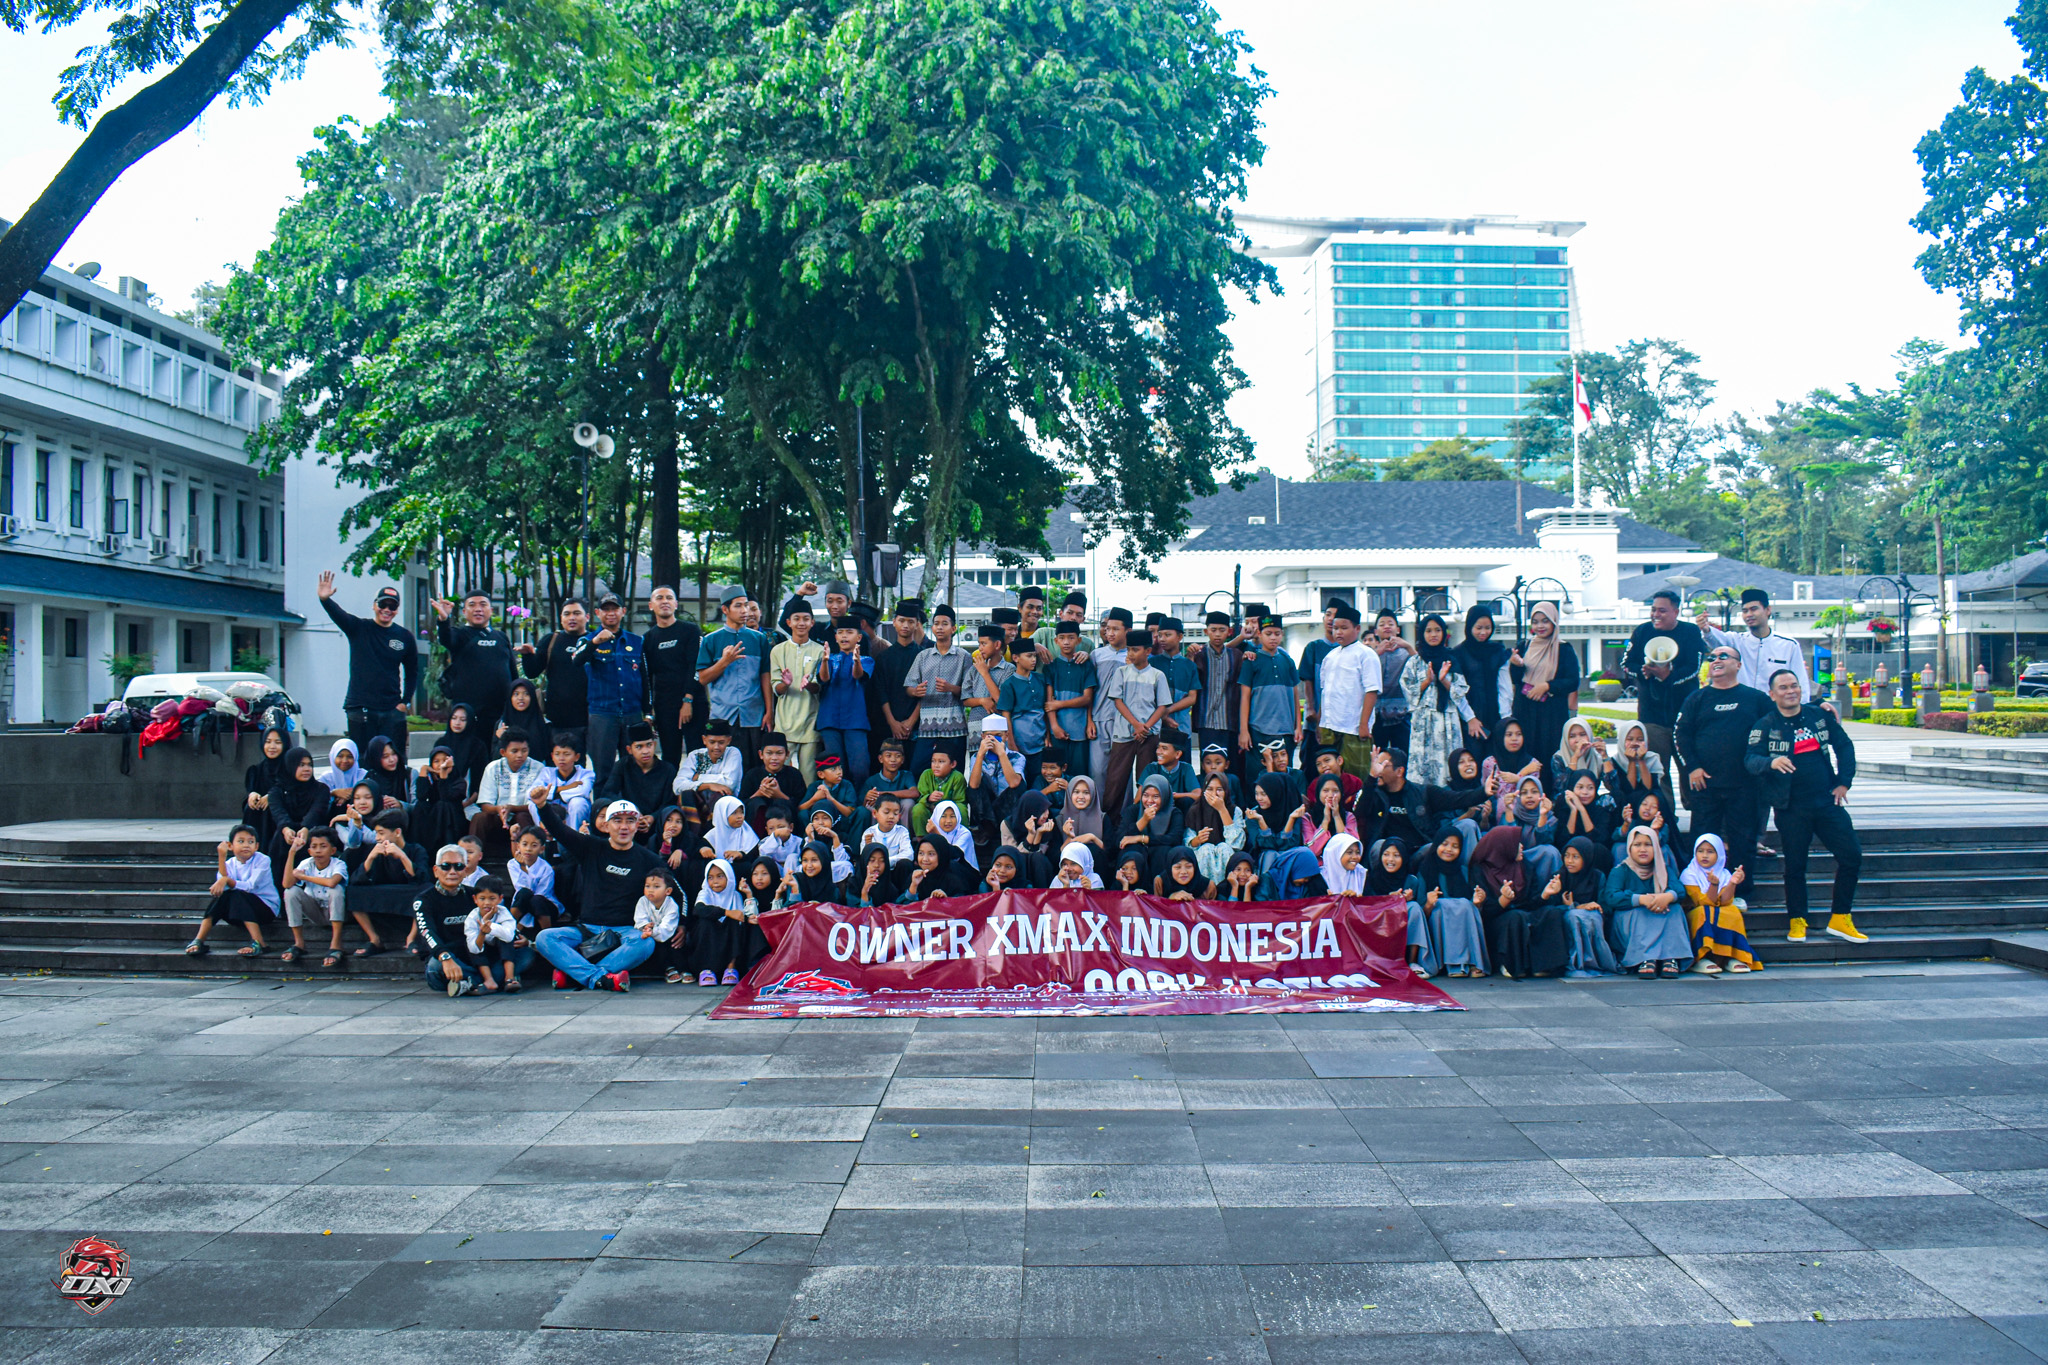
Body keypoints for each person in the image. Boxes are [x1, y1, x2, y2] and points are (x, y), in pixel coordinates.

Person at [1746, 667, 1865, 943]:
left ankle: (1840, 918)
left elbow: (1844, 746)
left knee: (1852, 856)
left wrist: (1844, 781)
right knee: (1795, 866)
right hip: (1791, 808)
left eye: (1794, 686)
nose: (1791, 692)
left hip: (1826, 801)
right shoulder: (1765, 725)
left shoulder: (1818, 716)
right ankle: (1797, 920)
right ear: (1772, 694)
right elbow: (1749, 760)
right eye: (1784, 688)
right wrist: (1770, 762)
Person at [532, 796, 667, 990]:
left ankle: (578, 975)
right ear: (606, 824)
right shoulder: (591, 847)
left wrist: (680, 923)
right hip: (587, 929)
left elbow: (672, 890)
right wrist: (542, 806)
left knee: (645, 943)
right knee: (545, 938)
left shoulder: (649, 860)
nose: (624, 827)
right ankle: (600, 978)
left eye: (630, 821)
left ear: (638, 825)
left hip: (624, 931)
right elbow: (560, 831)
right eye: (617, 820)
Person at [1677, 643, 1774, 889]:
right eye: (1712, 657)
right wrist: (1693, 767)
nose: (1716, 660)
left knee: (1743, 841)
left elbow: (1780, 720)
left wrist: (1820, 708)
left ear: (1738, 665)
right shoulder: (1696, 698)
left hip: (1744, 784)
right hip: (1705, 784)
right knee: (1703, 840)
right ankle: (1700, 888)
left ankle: (1738, 891)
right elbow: (1682, 736)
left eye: (1723, 656)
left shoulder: (1756, 699)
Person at [317, 573, 419, 751]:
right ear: (374, 605)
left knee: (393, 760)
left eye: (392, 605)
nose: (387, 609)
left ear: (397, 609)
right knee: (363, 760)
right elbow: (339, 615)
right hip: (360, 707)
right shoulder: (358, 628)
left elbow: (412, 672)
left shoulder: (405, 637)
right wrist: (325, 600)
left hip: (391, 709)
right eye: (383, 604)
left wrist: (405, 703)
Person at [1623, 589, 1704, 793]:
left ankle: (1697, 815)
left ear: (1676, 612)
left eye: (1662, 610)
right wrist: (1644, 673)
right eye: (1653, 610)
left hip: (1686, 715)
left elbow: (1694, 667)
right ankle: (1665, 817)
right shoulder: (1642, 632)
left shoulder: (1691, 632)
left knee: (1690, 768)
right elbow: (1627, 662)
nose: (1655, 615)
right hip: (1652, 716)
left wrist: (1668, 676)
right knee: (1659, 772)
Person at [569, 592, 648, 786]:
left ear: (623, 611)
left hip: (632, 713)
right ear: (597, 613)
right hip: (602, 715)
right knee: (603, 770)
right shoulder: (587, 640)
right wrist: (595, 642)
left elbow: (645, 679)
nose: (611, 613)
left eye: (615, 609)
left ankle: (632, 813)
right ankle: (602, 812)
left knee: (634, 768)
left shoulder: (636, 641)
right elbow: (577, 660)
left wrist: (648, 713)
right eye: (606, 610)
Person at [1472, 824, 1567, 980]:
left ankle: (1543, 965)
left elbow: (1530, 903)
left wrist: (1545, 894)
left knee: (1551, 912)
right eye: (1517, 844)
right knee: (1516, 916)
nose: (1522, 847)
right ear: (1503, 846)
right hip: (1496, 921)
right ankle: (1511, 964)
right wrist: (1503, 900)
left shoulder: (1525, 867)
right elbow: (1484, 912)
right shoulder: (1480, 870)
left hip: (1523, 913)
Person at [696, 586, 771, 769]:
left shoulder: (759, 639)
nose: (744, 611)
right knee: (725, 766)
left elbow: (765, 675)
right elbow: (703, 678)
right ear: (725, 609)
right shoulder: (711, 640)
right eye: (738, 606)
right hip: (723, 713)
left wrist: (770, 711)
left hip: (753, 712)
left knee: (754, 764)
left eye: (746, 605)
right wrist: (724, 662)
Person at [1605, 825, 1695, 978]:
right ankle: (1646, 958)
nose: (1643, 849)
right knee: (1640, 912)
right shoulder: (1620, 870)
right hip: (1631, 922)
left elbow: (1679, 890)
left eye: (1648, 845)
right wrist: (1641, 899)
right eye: (1637, 845)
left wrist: (1665, 897)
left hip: (1660, 917)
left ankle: (1669, 957)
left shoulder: (1663, 868)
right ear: (1629, 847)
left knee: (1675, 909)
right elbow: (1612, 897)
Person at [185, 824, 280, 959]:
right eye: (241, 841)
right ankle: (199, 940)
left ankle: (260, 943)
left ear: (257, 846)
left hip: (265, 909)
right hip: (238, 913)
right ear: (230, 846)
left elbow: (249, 886)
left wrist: (226, 880)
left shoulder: (263, 860)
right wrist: (222, 858)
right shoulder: (229, 863)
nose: (246, 845)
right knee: (224, 896)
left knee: (237, 894)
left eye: (250, 842)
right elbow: (222, 887)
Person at [433, 591, 515, 743]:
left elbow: (512, 673)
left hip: (499, 714)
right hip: (468, 714)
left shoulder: (501, 637)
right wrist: (444, 620)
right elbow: (446, 638)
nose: (478, 609)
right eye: (472, 605)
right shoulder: (459, 635)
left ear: (491, 610)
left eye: (483, 605)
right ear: (464, 612)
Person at [1700, 589, 1809, 700]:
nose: (1749, 615)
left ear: (1767, 610)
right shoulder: (1736, 641)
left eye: (1754, 609)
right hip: (1743, 707)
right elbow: (1715, 639)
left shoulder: (1789, 645)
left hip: (1775, 710)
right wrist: (1705, 628)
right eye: (1745, 611)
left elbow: (1801, 682)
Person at [1315, 603, 1382, 782]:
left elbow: (1372, 691)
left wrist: (1363, 724)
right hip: (1329, 726)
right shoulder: (1330, 656)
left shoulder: (1366, 655)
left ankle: (1357, 810)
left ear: (1357, 628)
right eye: (1336, 628)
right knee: (1329, 776)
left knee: (1356, 777)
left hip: (1353, 727)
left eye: (1344, 628)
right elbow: (1325, 692)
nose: (1339, 632)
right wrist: (1321, 722)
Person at [903, 604, 972, 775]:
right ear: (932, 627)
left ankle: (953, 802)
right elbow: (909, 686)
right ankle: (925, 801)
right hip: (927, 725)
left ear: (953, 628)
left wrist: (951, 688)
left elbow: (970, 691)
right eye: (936, 623)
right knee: (919, 768)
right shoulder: (923, 656)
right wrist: (915, 691)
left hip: (955, 725)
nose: (940, 627)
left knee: (956, 770)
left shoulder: (964, 657)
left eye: (945, 623)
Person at [1402, 613, 1469, 788]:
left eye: (1437, 630)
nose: (1433, 635)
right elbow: (1407, 690)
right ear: (1422, 634)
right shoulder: (1414, 662)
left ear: (1444, 633)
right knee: (1422, 771)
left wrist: (1444, 680)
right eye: (1428, 630)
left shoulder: (1451, 659)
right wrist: (1426, 682)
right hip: (1423, 721)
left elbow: (1461, 691)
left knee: (1449, 765)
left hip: (1447, 719)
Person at [1509, 601, 1580, 763]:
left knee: (1550, 756)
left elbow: (1572, 681)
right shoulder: (1525, 646)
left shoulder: (1564, 649)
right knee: (1525, 754)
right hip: (1526, 710)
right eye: (1535, 622)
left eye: (1545, 621)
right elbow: (1516, 680)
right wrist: (1516, 665)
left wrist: (1547, 686)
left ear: (1554, 622)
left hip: (1552, 713)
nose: (1540, 626)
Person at [642, 585, 704, 769]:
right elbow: (647, 676)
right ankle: (670, 796)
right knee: (669, 757)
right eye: (659, 598)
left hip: (693, 703)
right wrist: (649, 710)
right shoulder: (648, 638)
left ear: (676, 604)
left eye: (669, 598)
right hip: (665, 706)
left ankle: (699, 796)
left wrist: (688, 699)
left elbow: (696, 666)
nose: (664, 601)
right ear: (651, 605)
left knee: (697, 753)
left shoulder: (691, 631)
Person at [1681, 832, 1761, 974]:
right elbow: (1703, 902)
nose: (1704, 855)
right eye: (1700, 851)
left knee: (1732, 911)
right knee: (1704, 912)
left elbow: (1725, 901)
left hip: (1716, 908)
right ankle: (1701, 957)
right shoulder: (1689, 873)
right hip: (1694, 911)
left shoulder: (1724, 873)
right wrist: (1713, 885)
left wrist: (1732, 883)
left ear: (1719, 854)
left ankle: (1729, 956)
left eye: (1710, 852)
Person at [411, 844, 484, 996]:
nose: (452, 872)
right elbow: (427, 932)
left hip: (476, 957)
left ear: (465, 871)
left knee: (525, 955)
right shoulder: (423, 900)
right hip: (444, 958)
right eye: (445, 866)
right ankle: (482, 981)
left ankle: (469, 983)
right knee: (434, 968)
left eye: (458, 866)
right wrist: (445, 957)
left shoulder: (475, 896)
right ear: (436, 871)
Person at [770, 597, 829, 781]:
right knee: (780, 774)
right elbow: (776, 688)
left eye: (805, 619)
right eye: (796, 619)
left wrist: (809, 685)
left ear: (812, 622)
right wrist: (785, 684)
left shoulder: (820, 651)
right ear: (788, 622)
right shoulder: (778, 651)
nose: (801, 623)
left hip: (810, 722)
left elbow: (820, 686)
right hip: (784, 723)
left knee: (808, 776)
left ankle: (806, 809)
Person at [1238, 614, 1302, 779]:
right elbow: (1244, 698)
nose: (1273, 638)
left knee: (1285, 776)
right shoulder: (1251, 660)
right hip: (1258, 730)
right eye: (1268, 633)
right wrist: (1244, 731)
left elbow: (1295, 695)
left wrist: (1298, 727)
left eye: (1277, 633)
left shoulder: (1287, 661)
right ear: (1259, 633)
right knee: (1258, 778)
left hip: (1285, 730)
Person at [1542, 837, 1618, 977]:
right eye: (1567, 856)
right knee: (1574, 916)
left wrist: (1593, 907)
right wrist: (1573, 906)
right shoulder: (1558, 877)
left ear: (1587, 858)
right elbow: (1548, 910)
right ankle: (1574, 962)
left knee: (1592, 916)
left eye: (1576, 857)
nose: (1569, 861)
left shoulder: (1597, 876)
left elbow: (1606, 907)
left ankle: (1593, 962)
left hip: (1591, 918)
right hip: (1566, 919)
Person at [1417, 828, 1487, 977]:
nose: (1449, 849)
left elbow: (1473, 909)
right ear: (1436, 845)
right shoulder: (1425, 869)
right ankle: (1452, 964)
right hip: (1437, 921)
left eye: (1455, 846)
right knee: (1442, 908)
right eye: (1445, 844)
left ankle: (1471, 962)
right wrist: (1429, 903)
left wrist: (1477, 903)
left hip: (1461, 920)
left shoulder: (1464, 870)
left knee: (1465, 905)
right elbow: (1421, 912)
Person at [471, 727, 548, 858]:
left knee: (522, 816)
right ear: (503, 752)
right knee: (479, 818)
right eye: (514, 751)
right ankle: (472, 858)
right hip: (498, 818)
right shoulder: (492, 768)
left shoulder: (538, 768)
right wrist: (499, 809)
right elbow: (485, 804)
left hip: (524, 818)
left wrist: (512, 808)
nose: (520, 755)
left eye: (524, 750)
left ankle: (527, 861)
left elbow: (537, 804)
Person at [518, 598, 591, 736]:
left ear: (587, 617)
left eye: (577, 613)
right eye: (567, 614)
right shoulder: (550, 640)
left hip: (590, 718)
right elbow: (532, 672)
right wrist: (527, 656)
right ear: (561, 618)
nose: (572, 618)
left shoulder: (594, 641)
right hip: (556, 719)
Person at [817, 617, 876, 786]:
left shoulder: (866, 660)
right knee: (833, 768)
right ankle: (837, 803)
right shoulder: (829, 658)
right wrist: (825, 661)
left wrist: (856, 661)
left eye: (849, 632)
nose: (844, 636)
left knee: (860, 767)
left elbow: (858, 675)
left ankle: (858, 803)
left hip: (855, 721)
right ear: (835, 637)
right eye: (840, 632)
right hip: (829, 719)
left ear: (858, 638)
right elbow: (824, 678)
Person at [280, 825, 349, 968]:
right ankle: (299, 943)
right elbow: (287, 884)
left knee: (335, 890)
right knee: (291, 892)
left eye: (323, 846)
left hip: (337, 912)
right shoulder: (307, 863)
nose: (318, 850)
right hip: (316, 911)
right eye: (314, 847)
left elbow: (331, 882)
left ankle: (336, 944)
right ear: (309, 850)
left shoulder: (339, 864)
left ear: (333, 850)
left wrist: (304, 877)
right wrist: (292, 853)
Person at [689, 857, 766, 986]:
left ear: (729, 877)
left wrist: (747, 918)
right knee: (705, 922)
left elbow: (740, 916)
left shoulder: (735, 895)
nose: (715, 882)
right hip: (708, 940)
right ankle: (707, 969)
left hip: (727, 939)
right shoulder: (705, 893)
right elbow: (699, 909)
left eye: (720, 876)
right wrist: (726, 912)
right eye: (711, 877)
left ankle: (731, 967)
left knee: (735, 922)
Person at [874, 600, 931, 762]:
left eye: (910, 621)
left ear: (917, 625)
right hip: (889, 724)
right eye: (901, 620)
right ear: (894, 623)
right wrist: (892, 722)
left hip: (917, 725)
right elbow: (881, 692)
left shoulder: (924, 655)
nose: (905, 625)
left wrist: (911, 721)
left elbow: (927, 692)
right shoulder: (884, 657)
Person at [1187, 610, 1243, 773]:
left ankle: (1229, 799)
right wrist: (1190, 658)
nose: (1217, 634)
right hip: (1206, 720)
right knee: (1208, 767)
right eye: (1213, 630)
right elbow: (1190, 679)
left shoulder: (1236, 656)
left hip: (1229, 721)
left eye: (1222, 630)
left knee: (1230, 767)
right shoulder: (1199, 655)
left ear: (1229, 631)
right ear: (1206, 631)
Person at [1452, 603, 1513, 750]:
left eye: (1487, 628)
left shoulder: (1498, 651)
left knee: (1496, 760)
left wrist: (1505, 719)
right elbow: (1457, 690)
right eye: (1478, 628)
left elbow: (1504, 687)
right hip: (1470, 716)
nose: (1483, 632)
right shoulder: (1458, 653)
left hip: (1495, 714)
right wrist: (1470, 718)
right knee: (1472, 759)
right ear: (1469, 627)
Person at [598, 722, 677, 827]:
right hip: (628, 821)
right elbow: (608, 793)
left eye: (649, 745)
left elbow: (670, 802)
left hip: (659, 823)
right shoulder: (623, 765)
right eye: (639, 747)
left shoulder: (668, 769)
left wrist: (653, 817)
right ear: (629, 750)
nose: (645, 751)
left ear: (654, 745)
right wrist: (631, 811)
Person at [1088, 609, 1133, 782]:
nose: (1110, 633)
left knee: (1123, 773)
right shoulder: (1096, 655)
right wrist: (1089, 720)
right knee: (1097, 771)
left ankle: (1123, 809)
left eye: (1115, 629)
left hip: (1124, 722)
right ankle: (1099, 809)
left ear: (1128, 631)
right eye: (1107, 629)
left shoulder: (1134, 656)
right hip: (1099, 720)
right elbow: (1090, 690)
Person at [1115, 774, 1185, 879]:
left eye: (1156, 796)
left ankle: (1158, 889)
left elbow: (1175, 839)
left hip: (1159, 856)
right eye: (1146, 795)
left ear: (1164, 796)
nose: (1149, 801)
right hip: (1139, 854)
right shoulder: (1133, 810)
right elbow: (1119, 840)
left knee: (1163, 850)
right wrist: (1143, 820)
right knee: (1131, 849)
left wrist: (1141, 838)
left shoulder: (1174, 813)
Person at [1367, 609, 1414, 755]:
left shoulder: (1406, 653)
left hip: (1401, 713)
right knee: (1377, 754)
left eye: (1390, 624)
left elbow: (1421, 667)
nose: (1386, 626)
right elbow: (1363, 675)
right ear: (1376, 631)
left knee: (1402, 755)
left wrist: (1408, 646)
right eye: (1382, 624)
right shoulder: (1369, 654)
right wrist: (1377, 653)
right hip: (1376, 714)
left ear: (1398, 629)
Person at [1187, 773, 1244, 885]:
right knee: (1205, 849)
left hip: (1227, 855)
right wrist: (1197, 840)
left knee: (1224, 848)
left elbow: (1237, 844)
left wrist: (1222, 810)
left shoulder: (1234, 810)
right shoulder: (1195, 810)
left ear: (1226, 791)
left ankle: (1227, 890)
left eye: (1219, 789)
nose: (1214, 794)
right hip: (1203, 855)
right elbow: (1187, 841)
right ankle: (1205, 891)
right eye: (1210, 789)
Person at [242, 727, 291, 848]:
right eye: (268, 742)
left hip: (283, 814)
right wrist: (252, 794)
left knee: (271, 809)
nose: (272, 746)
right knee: (252, 807)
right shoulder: (257, 770)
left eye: (278, 742)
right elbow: (251, 789)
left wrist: (272, 798)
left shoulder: (290, 769)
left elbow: (292, 790)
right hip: (260, 815)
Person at [433, 703, 490, 796]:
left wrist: (468, 802)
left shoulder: (477, 746)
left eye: (463, 719)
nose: (457, 723)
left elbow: (481, 778)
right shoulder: (441, 743)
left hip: (470, 798)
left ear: (470, 721)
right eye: (454, 718)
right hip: (442, 795)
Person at [501, 678, 552, 761]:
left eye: (526, 694)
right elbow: (495, 757)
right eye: (516, 694)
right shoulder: (502, 724)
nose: (521, 698)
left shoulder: (543, 724)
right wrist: (501, 738)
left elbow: (549, 756)